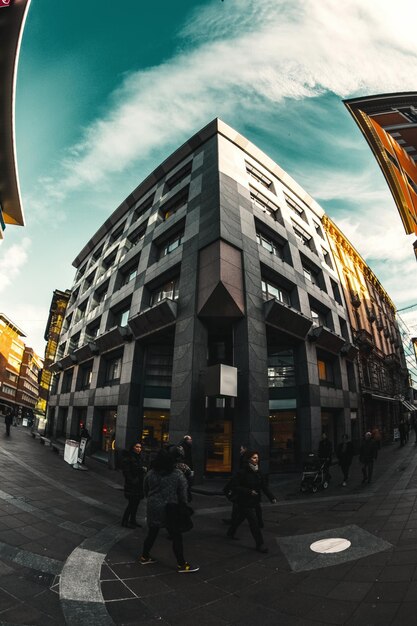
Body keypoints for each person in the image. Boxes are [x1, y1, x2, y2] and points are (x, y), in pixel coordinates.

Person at [140, 449, 199, 573]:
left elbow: (145, 489)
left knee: (152, 533)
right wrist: (184, 505)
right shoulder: (177, 474)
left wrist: (152, 499)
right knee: (176, 536)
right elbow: (183, 494)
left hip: (153, 507)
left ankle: (144, 556)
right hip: (171, 509)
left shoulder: (151, 473)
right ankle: (182, 564)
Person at [226, 450, 277, 553]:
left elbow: (263, 486)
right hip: (244, 501)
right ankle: (260, 544)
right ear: (249, 459)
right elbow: (235, 486)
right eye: (254, 458)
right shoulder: (242, 472)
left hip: (254, 501)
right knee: (254, 523)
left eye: (257, 458)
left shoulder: (258, 472)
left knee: (240, 518)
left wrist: (271, 497)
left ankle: (230, 532)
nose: (256, 460)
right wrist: (248, 491)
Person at [121, 442, 146, 528]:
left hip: (139, 484)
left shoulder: (140, 457)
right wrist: (133, 480)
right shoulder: (128, 458)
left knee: (136, 504)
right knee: (131, 504)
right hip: (132, 484)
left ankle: (132, 520)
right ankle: (124, 521)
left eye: (140, 447)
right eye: (137, 447)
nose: (139, 449)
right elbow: (127, 472)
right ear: (133, 447)